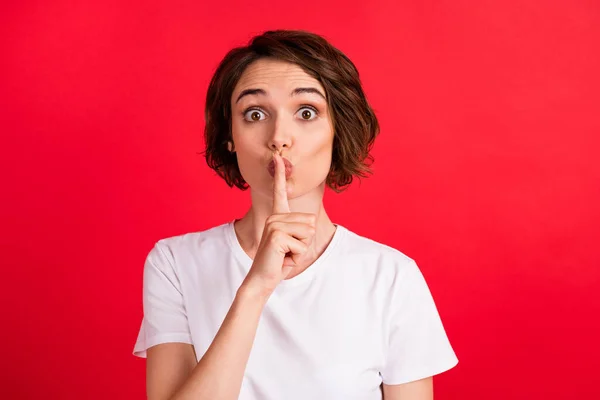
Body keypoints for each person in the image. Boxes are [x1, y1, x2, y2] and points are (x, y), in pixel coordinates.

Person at [133, 29, 459, 400]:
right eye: (255, 114)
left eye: (306, 112)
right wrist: (255, 288)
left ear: (338, 131)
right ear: (230, 137)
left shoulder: (390, 276)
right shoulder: (175, 263)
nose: (279, 137)